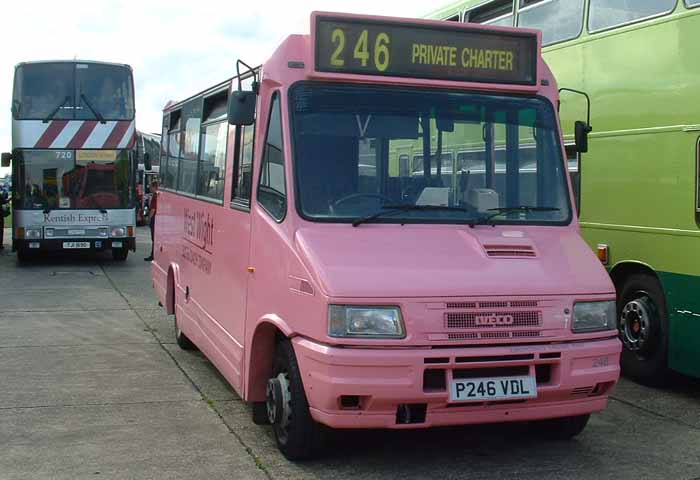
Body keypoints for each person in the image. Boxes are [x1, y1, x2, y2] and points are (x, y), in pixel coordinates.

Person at [144, 180, 158, 261]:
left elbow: (153, 209)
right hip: (157, 218)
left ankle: (153, 255)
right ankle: (153, 254)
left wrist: (149, 219)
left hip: (154, 219)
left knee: (154, 238)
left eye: (150, 187)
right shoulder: (157, 195)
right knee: (154, 238)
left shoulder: (155, 196)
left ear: (154, 187)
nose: (149, 188)